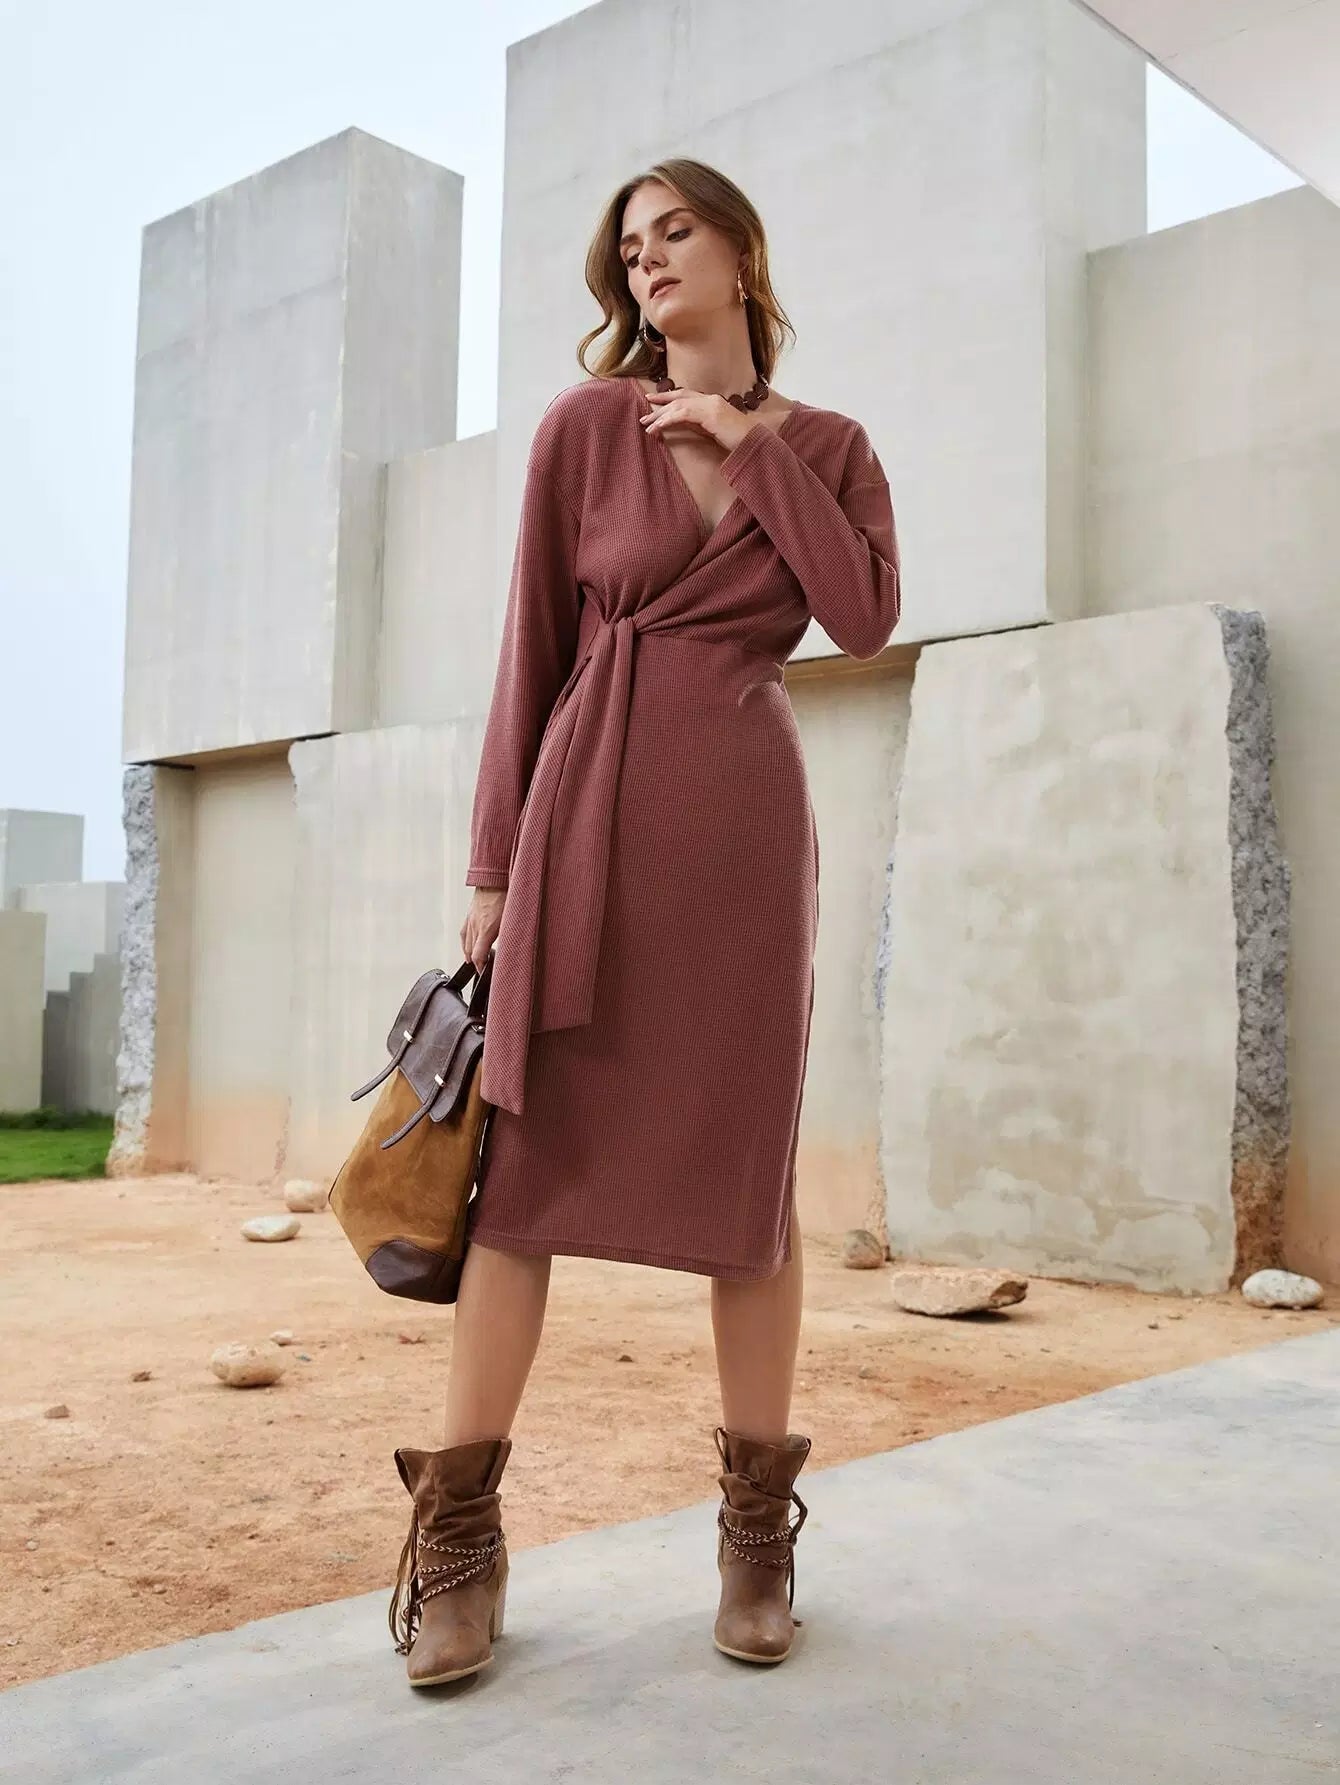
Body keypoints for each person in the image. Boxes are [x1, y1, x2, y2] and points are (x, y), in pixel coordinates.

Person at [388, 156, 901, 1688]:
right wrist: (492, 866)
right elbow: (530, 650)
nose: (650, 258)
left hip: (742, 848)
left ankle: (756, 1540)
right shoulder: (584, 429)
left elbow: (863, 611)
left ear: (742, 251)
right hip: (583, 831)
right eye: (630, 245)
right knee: (523, 1181)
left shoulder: (832, 447)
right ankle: (460, 1543)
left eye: (676, 231)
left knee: (749, 1187)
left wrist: (750, 445)